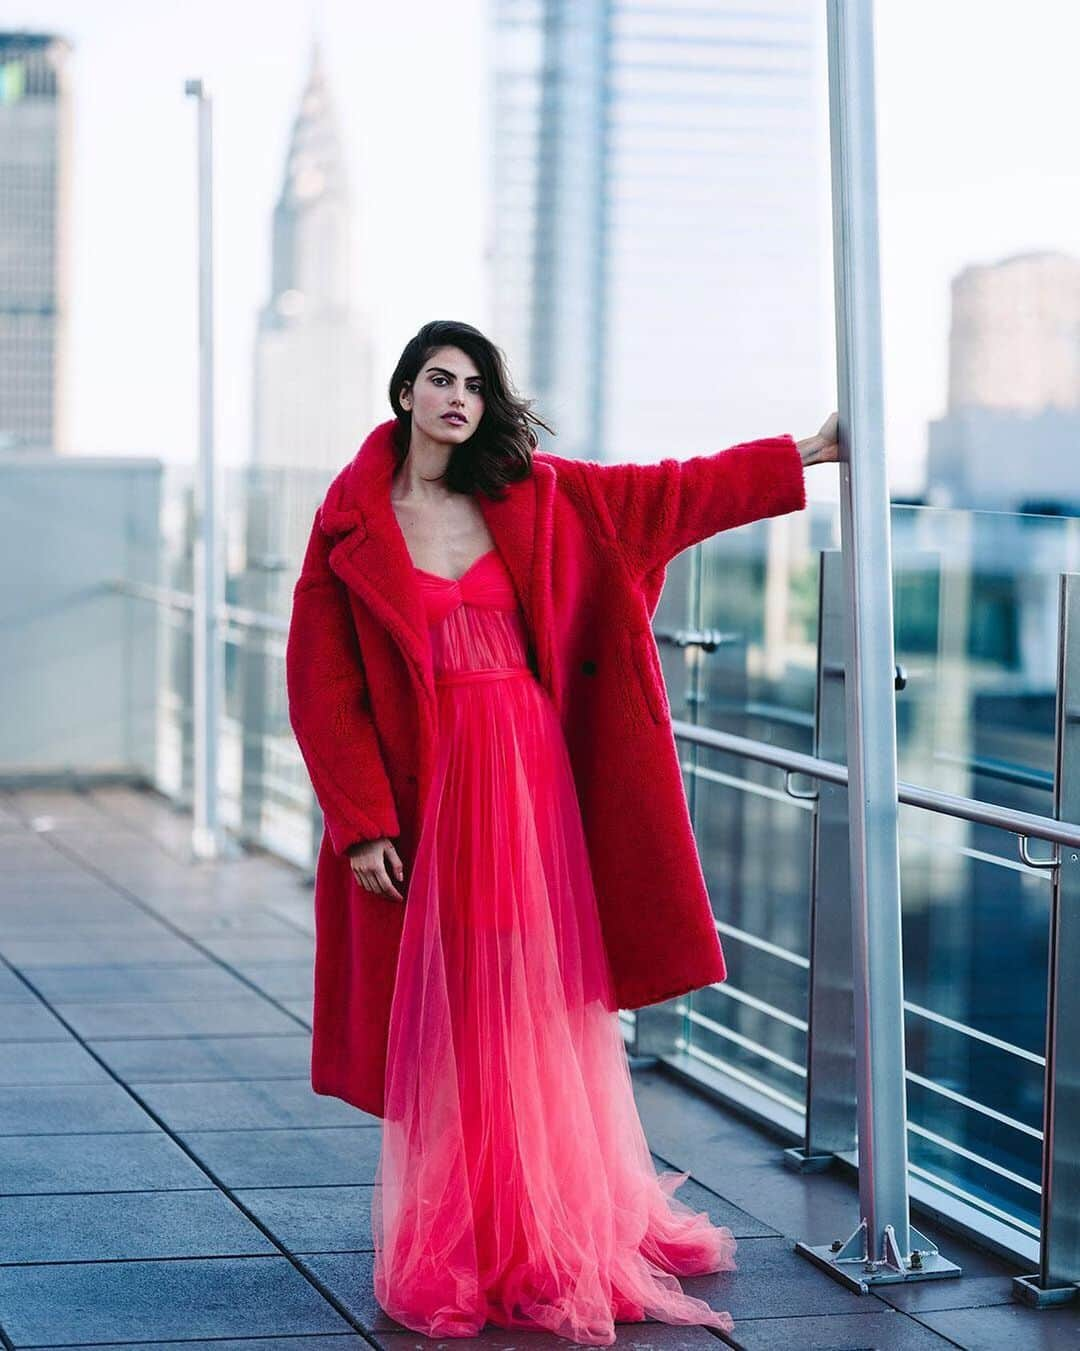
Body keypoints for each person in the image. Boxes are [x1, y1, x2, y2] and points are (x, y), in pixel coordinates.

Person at [287, 319, 839, 1344]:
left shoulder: (547, 495)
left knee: (533, 1006)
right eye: (440, 380)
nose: (459, 397)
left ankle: (553, 1225)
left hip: (531, 783)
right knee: (453, 1019)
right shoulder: (350, 522)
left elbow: (676, 490)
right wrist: (362, 823)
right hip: (429, 794)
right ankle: (473, 1234)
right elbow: (323, 687)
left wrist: (803, 452)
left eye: (476, 384)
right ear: (406, 393)